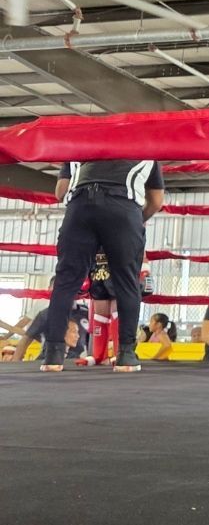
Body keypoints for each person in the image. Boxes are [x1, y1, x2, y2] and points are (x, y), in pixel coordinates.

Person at [40, 160, 165, 373]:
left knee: (66, 282)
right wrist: (134, 219)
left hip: (80, 208)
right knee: (127, 282)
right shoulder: (146, 150)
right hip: (123, 208)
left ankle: (53, 355)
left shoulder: (78, 146)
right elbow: (156, 201)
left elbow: (61, 192)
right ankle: (126, 354)